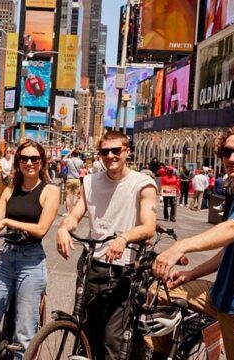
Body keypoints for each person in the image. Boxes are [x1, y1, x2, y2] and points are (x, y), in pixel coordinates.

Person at [153, 124, 234, 360]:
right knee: (161, 290)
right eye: (226, 152)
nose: (232, 158)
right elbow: (228, 250)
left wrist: (181, 246)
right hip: (220, 295)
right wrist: (191, 274)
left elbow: (231, 230)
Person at [57, 131, 158, 360]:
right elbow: (75, 215)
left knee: (114, 340)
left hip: (124, 271)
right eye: (105, 152)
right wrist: (63, 228)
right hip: (92, 266)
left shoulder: (143, 183)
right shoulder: (90, 181)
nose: (110, 156)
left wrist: (123, 238)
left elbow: (149, 227)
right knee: (85, 334)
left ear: (127, 152)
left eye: (116, 151)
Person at [0, 140, 60, 359]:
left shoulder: (51, 190)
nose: (29, 163)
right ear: (18, 162)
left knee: (24, 331)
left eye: (34, 159)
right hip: (5, 259)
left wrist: (11, 222)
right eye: (24, 158)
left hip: (31, 261)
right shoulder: (10, 190)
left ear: (42, 162)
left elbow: (41, 229)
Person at [63, 150, 84, 215]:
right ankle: (73, 212)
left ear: (72, 154)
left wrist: (69, 152)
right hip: (77, 179)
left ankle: (68, 212)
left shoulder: (69, 160)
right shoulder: (81, 161)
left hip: (69, 179)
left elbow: (63, 159)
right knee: (75, 196)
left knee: (68, 196)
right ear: (78, 155)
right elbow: (81, 168)